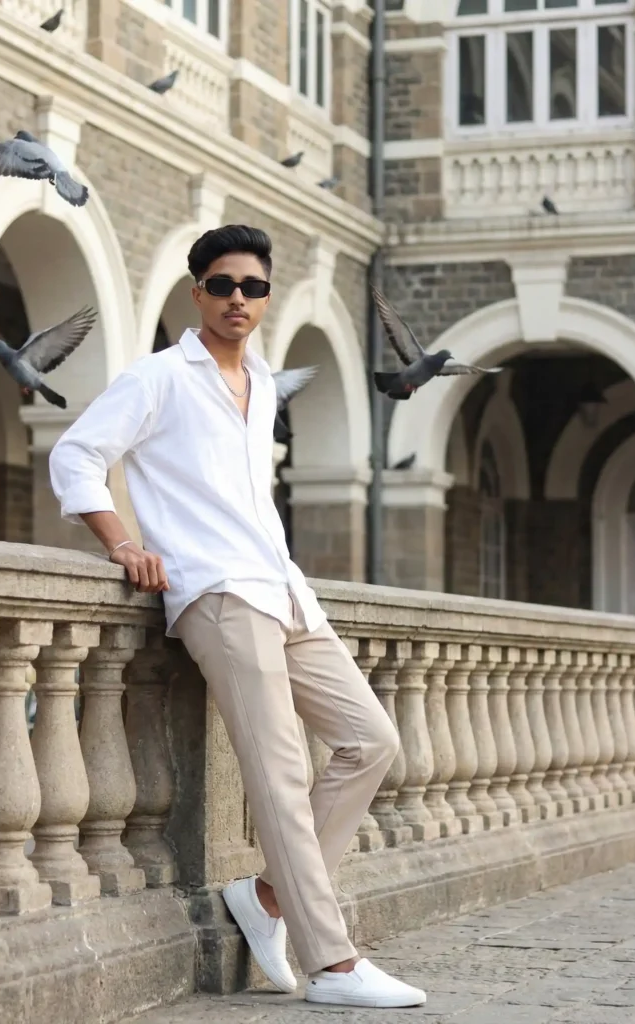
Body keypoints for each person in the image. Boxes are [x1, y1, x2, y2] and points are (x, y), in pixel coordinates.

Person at [48, 225, 426, 1009]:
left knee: (372, 740)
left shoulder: (257, 383)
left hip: (284, 591)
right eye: (223, 285)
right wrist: (122, 542)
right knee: (282, 771)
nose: (238, 300)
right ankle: (335, 965)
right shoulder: (159, 378)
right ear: (198, 292)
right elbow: (76, 454)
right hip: (216, 594)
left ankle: (267, 899)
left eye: (253, 288)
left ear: (265, 298)